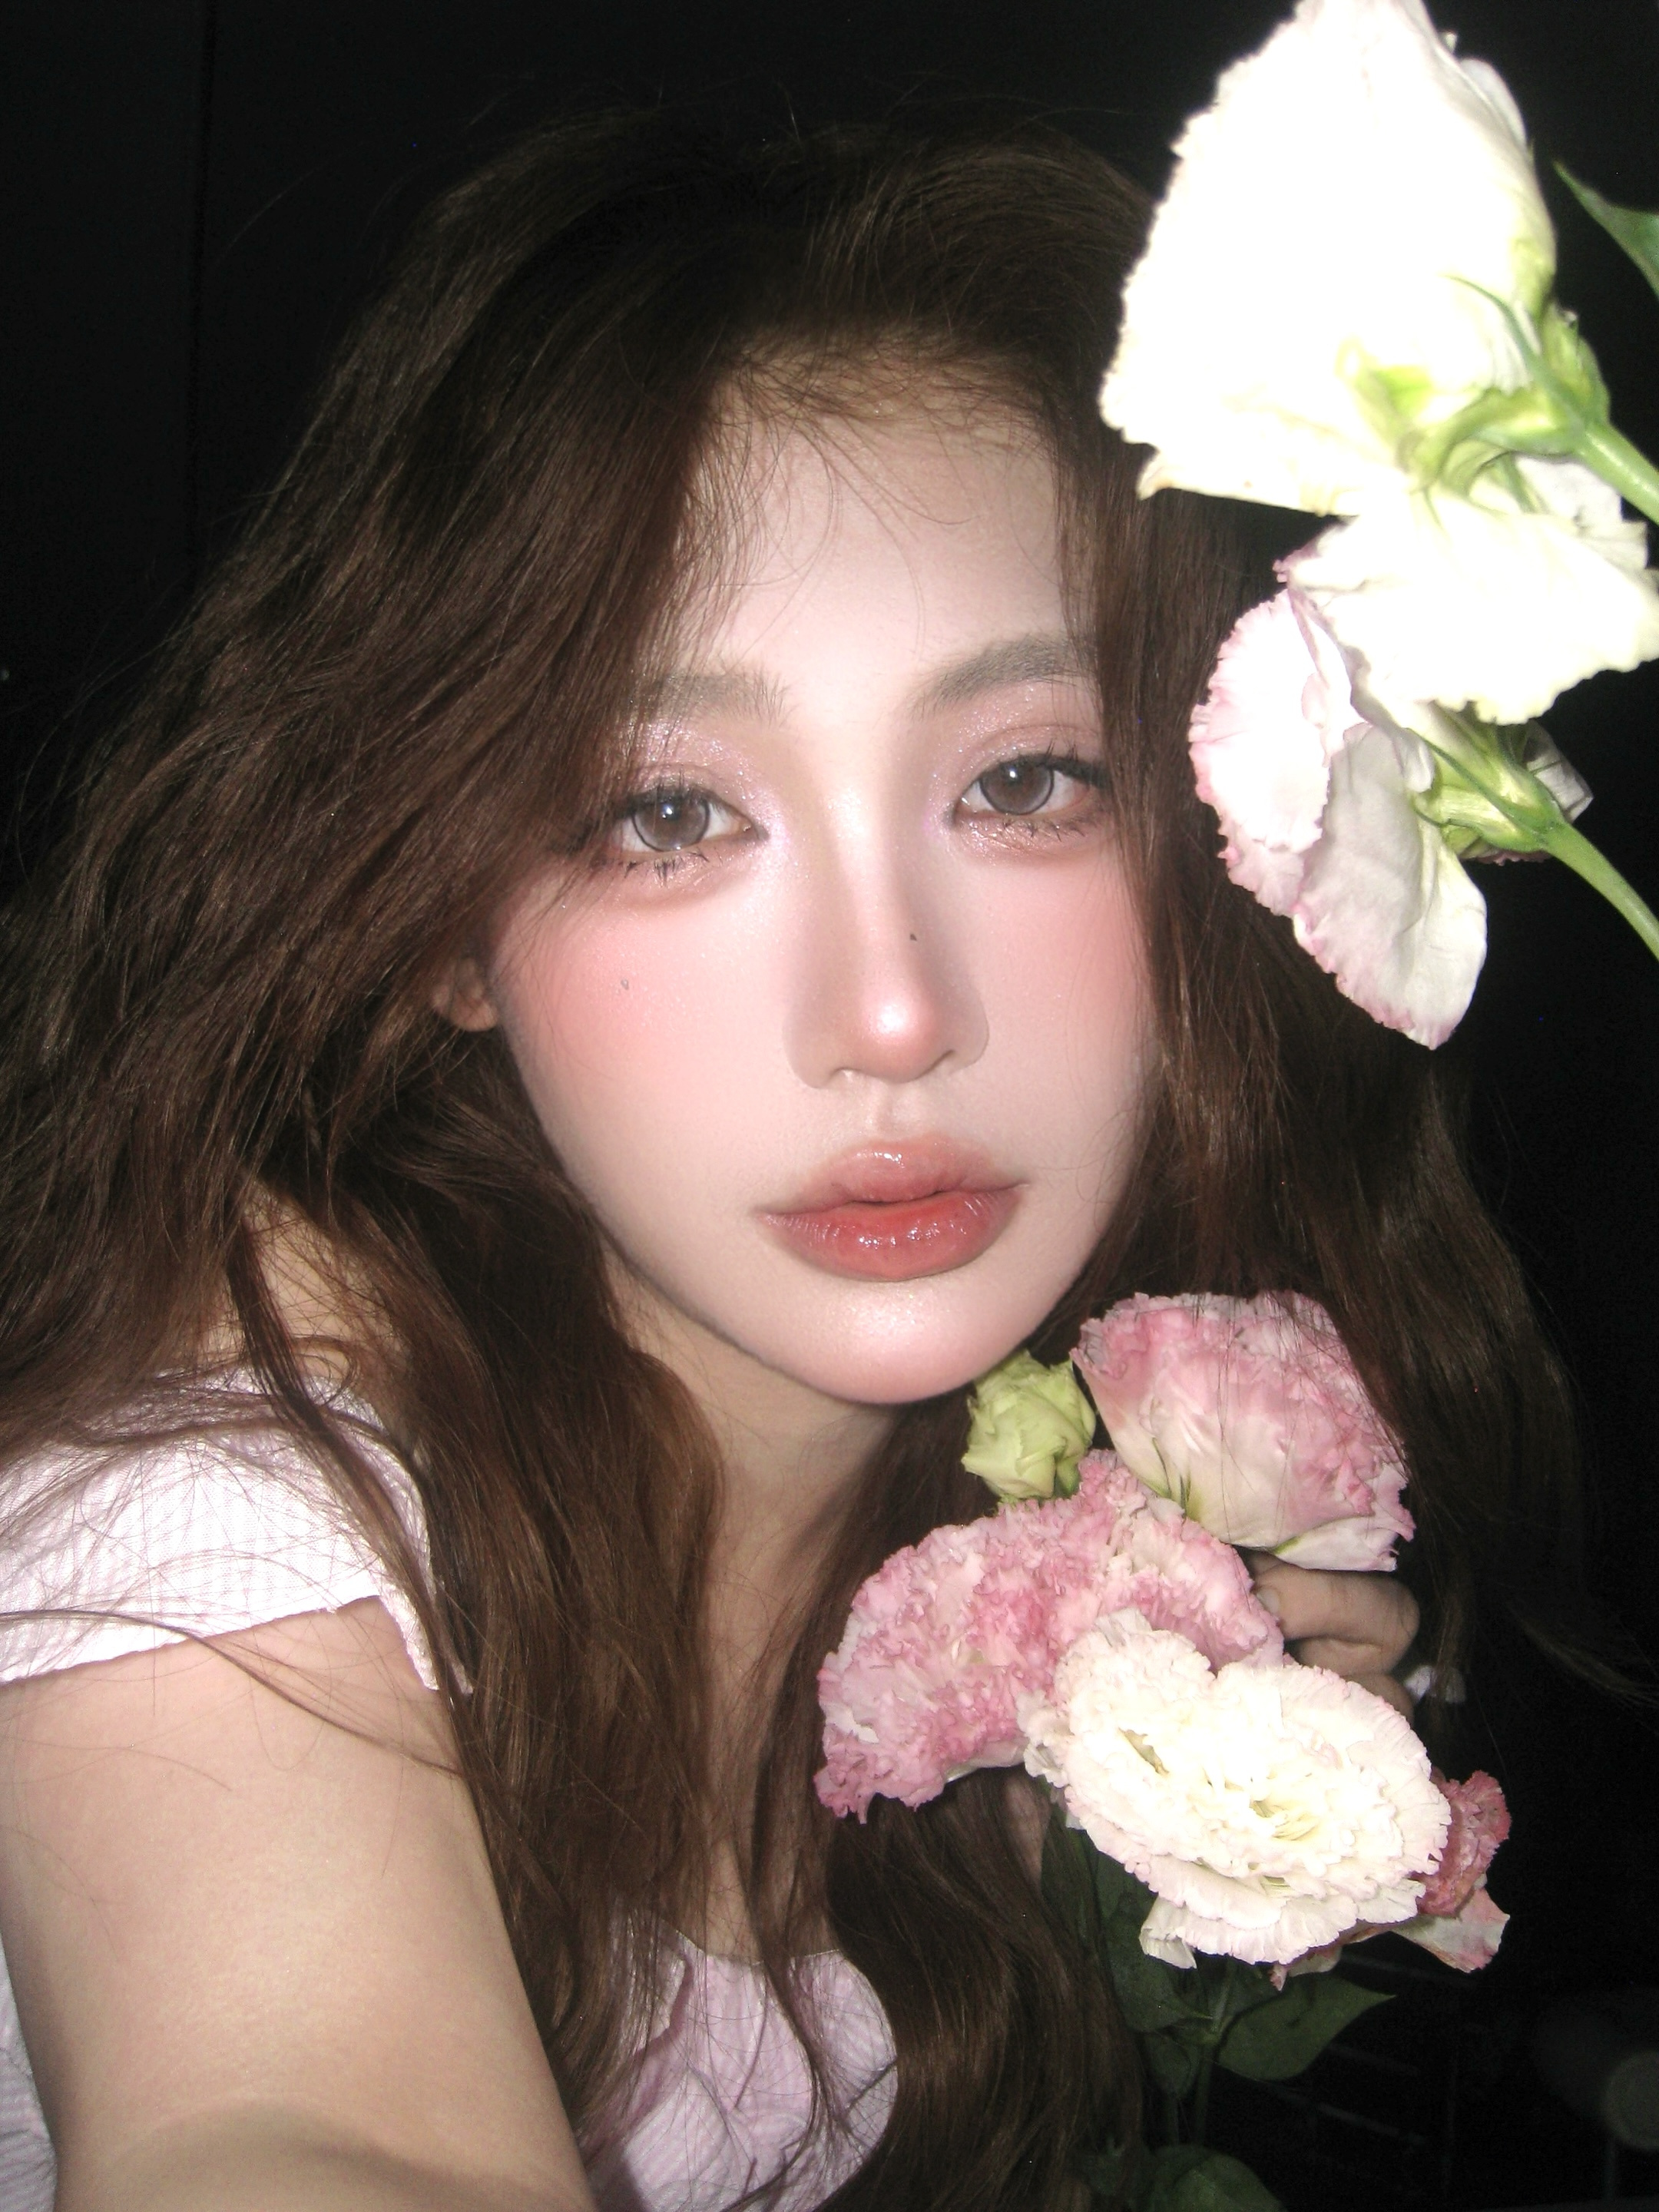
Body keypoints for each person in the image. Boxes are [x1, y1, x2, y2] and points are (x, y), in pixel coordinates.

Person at [0, 113, 1575, 2212]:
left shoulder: (1025, 1529)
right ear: (439, 922)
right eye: (667, 816)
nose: (893, 1015)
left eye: (1028, 781)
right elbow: (290, 2128)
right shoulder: (214, 1508)